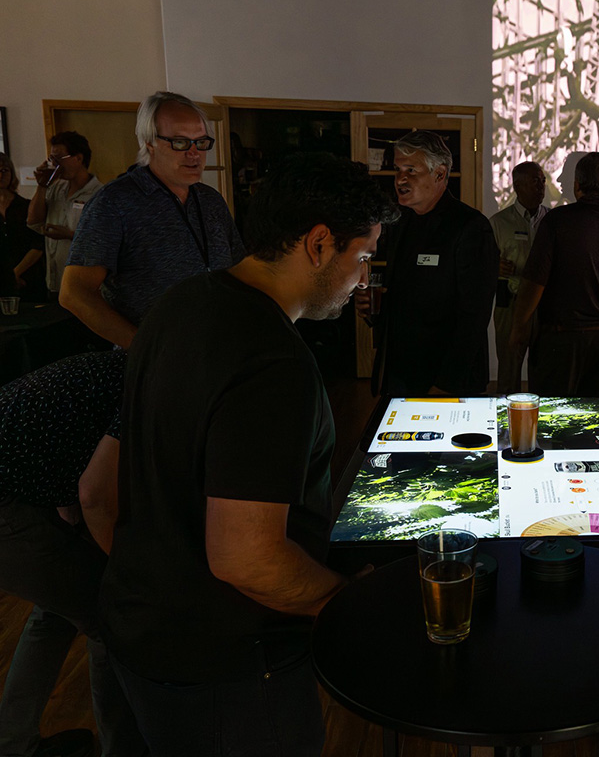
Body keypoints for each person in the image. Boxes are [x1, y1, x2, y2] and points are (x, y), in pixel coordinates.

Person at [98, 154, 397, 756]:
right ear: (318, 244)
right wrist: (348, 603)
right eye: (361, 258)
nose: (362, 280)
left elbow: (95, 489)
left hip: (129, 642)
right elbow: (246, 557)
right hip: (226, 670)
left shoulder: (175, 308)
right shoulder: (273, 362)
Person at [0, 351, 144, 757]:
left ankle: (13, 744)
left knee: (55, 610)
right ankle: (124, 750)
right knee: (110, 617)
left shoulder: (120, 367)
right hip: (5, 502)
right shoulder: (150, 384)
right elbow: (94, 497)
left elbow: (72, 492)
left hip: (17, 486)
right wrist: (129, 576)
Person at [60, 91, 244, 349]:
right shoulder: (114, 203)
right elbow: (74, 293)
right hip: (154, 365)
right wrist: (145, 349)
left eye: (201, 142)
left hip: (217, 354)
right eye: (180, 142)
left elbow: (238, 272)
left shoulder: (211, 200)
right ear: (149, 143)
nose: (194, 154)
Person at [360, 130, 498, 397]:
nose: (400, 179)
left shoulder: (470, 227)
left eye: (412, 170)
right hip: (399, 374)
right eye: (398, 169)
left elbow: (475, 316)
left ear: (440, 174)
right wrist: (373, 310)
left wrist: (445, 385)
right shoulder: (401, 222)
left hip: (446, 382)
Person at [510, 152, 599, 415]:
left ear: (577, 184)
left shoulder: (556, 222)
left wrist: (519, 327)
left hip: (559, 343)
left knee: (554, 421)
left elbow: (533, 284)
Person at [490, 161, 548, 396]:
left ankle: (541, 423)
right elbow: (482, 263)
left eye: (543, 180)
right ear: (517, 185)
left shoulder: (551, 221)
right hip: (510, 304)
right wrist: (495, 267)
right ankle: (505, 423)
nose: (542, 186)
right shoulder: (498, 222)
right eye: (535, 180)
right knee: (509, 369)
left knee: (543, 369)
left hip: (544, 305)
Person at [27, 131, 103, 299]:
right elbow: (33, 221)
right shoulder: (55, 188)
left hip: (84, 286)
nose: (55, 165)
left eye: (59, 158)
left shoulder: (100, 194)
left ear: (78, 158)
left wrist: (69, 235)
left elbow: (105, 241)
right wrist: (42, 186)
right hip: (54, 282)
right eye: (52, 159)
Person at [0, 151, 43, 300]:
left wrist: (15, 274)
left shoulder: (26, 206)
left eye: (4, 171)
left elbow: (38, 245)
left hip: (28, 278)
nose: (0, 176)